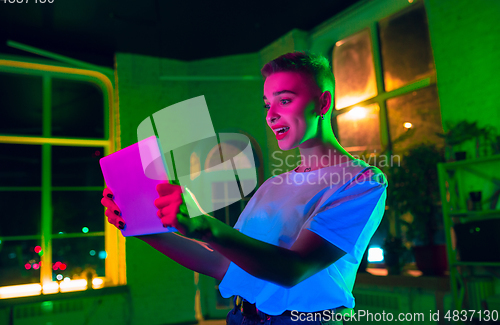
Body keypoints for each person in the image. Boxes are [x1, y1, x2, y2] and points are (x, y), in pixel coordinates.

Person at [101, 51, 388, 325]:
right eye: (267, 105)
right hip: (240, 317)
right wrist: (143, 227)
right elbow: (222, 265)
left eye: (284, 101)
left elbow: (293, 269)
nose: (271, 115)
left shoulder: (361, 181)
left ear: (323, 104)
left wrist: (204, 225)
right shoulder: (273, 185)